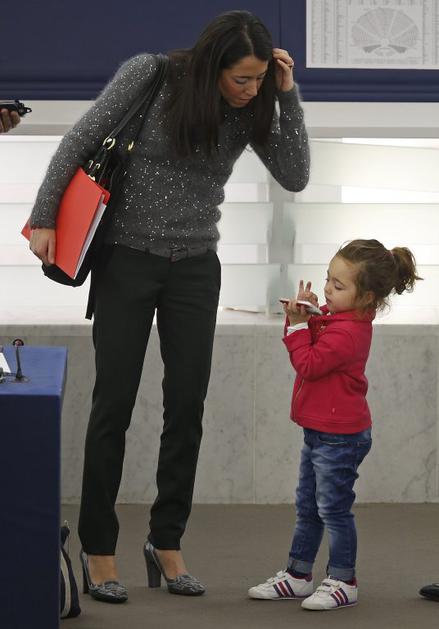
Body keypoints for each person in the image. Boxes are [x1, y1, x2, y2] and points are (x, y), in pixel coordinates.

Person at [28, 10, 310, 603]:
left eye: (260, 78)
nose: (250, 89)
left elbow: (294, 175)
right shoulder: (151, 75)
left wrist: (287, 96)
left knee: (187, 407)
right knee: (113, 404)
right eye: (241, 78)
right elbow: (79, 140)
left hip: (196, 267)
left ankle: (166, 541)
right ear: (211, 66)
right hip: (127, 260)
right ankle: (98, 548)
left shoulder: (256, 105)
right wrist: (44, 216)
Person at [249, 239, 420, 611]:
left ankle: (344, 580)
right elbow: (311, 336)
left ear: (366, 297)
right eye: (328, 279)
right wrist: (305, 314)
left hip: (341, 437)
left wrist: (299, 326)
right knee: (308, 506)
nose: (327, 289)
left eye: (338, 286)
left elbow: (309, 364)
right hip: (321, 432)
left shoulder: (349, 332)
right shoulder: (335, 317)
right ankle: (298, 575)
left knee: (333, 510)